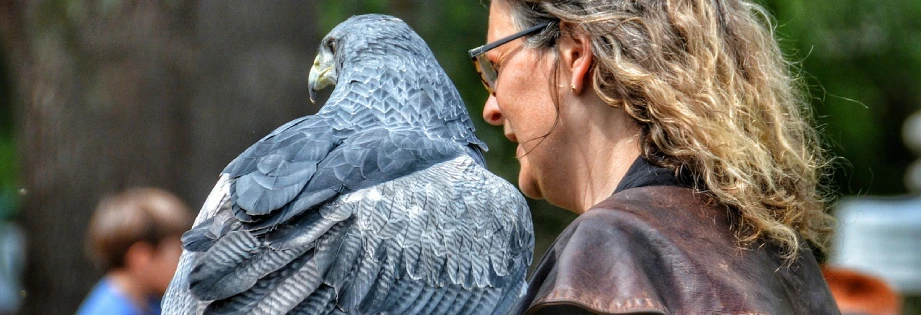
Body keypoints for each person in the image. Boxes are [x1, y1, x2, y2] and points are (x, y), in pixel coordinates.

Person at [469, 0, 840, 313]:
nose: (491, 108)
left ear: (575, 54)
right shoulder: (782, 258)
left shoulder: (609, 251)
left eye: (495, 67)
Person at [76, 188, 192, 315]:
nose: (190, 261)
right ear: (141, 258)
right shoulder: (112, 311)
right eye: (180, 251)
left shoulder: (147, 302)